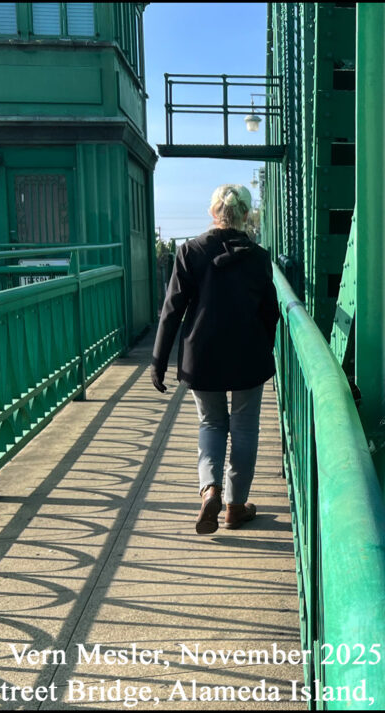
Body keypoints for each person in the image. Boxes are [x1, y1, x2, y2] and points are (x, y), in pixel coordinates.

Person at [150, 184, 279, 534]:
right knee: (244, 427)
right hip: (247, 355)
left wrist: (159, 361)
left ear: (213, 213)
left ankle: (210, 489)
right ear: (247, 216)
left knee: (210, 424)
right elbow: (271, 312)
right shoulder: (258, 256)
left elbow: (172, 310)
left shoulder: (190, 251)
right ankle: (236, 507)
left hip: (201, 355)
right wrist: (265, 350)